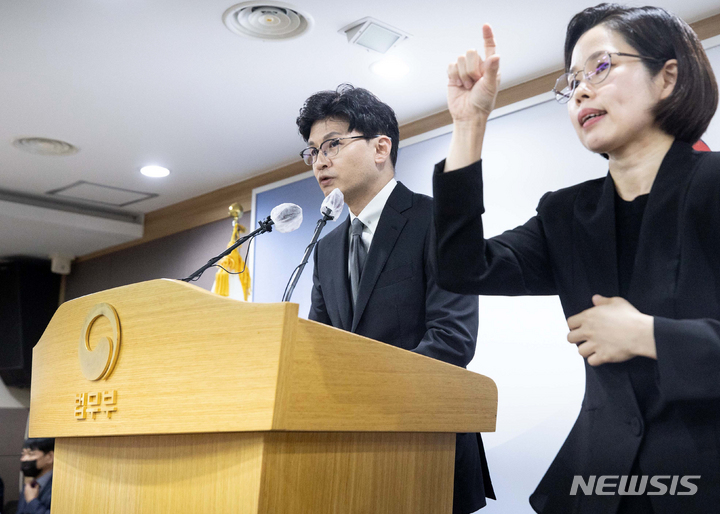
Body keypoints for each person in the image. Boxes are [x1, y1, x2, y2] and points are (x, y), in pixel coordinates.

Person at [433, 3, 719, 513]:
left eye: (601, 67)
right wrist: (469, 124)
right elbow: (462, 268)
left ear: (667, 78)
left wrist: (649, 335)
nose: (581, 90)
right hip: (598, 487)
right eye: (573, 81)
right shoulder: (565, 214)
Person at [297, 84, 494, 513]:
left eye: (332, 144)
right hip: (348, 454)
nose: (320, 162)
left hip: (426, 448)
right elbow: (320, 350)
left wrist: (368, 402)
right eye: (312, 152)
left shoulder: (436, 221)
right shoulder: (326, 247)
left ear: (381, 147)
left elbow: (452, 339)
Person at [17, 439, 53, 514]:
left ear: (49, 457)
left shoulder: (59, 487)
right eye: (23, 454)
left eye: (31, 454)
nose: (24, 459)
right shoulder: (31, 484)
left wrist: (32, 501)